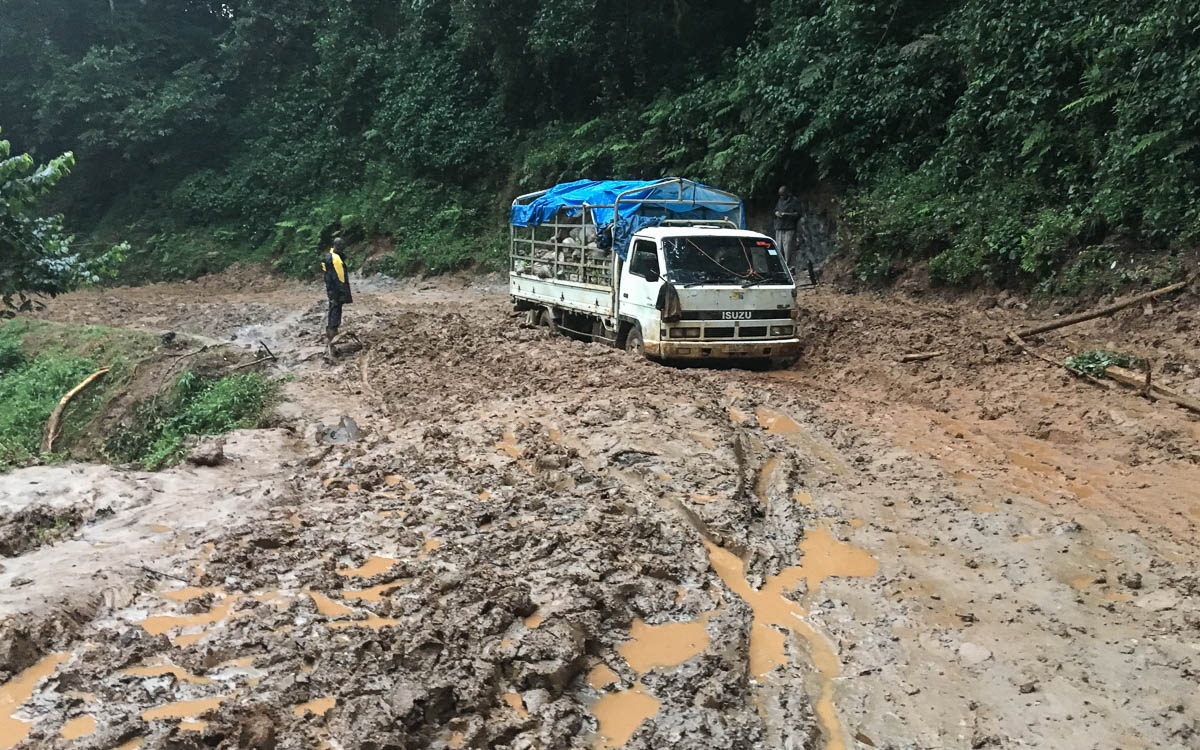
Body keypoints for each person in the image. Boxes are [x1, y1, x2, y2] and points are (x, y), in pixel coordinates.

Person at [773, 186, 817, 284]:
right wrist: (777, 213)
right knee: (778, 248)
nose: (781, 197)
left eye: (783, 195)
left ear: (787, 193)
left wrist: (786, 214)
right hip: (779, 227)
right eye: (780, 195)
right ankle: (780, 268)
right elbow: (775, 209)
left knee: (788, 249)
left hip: (789, 228)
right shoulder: (780, 200)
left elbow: (798, 214)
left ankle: (789, 268)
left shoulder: (794, 201)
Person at [321, 237, 353, 359]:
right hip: (336, 290)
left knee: (334, 309)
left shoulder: (330, 256)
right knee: (335, 309)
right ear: (339, 245)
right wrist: (342, 293)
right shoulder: (335, 259)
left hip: (332, 289)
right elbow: (338, 278)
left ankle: (331, 332)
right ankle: (332, 334)